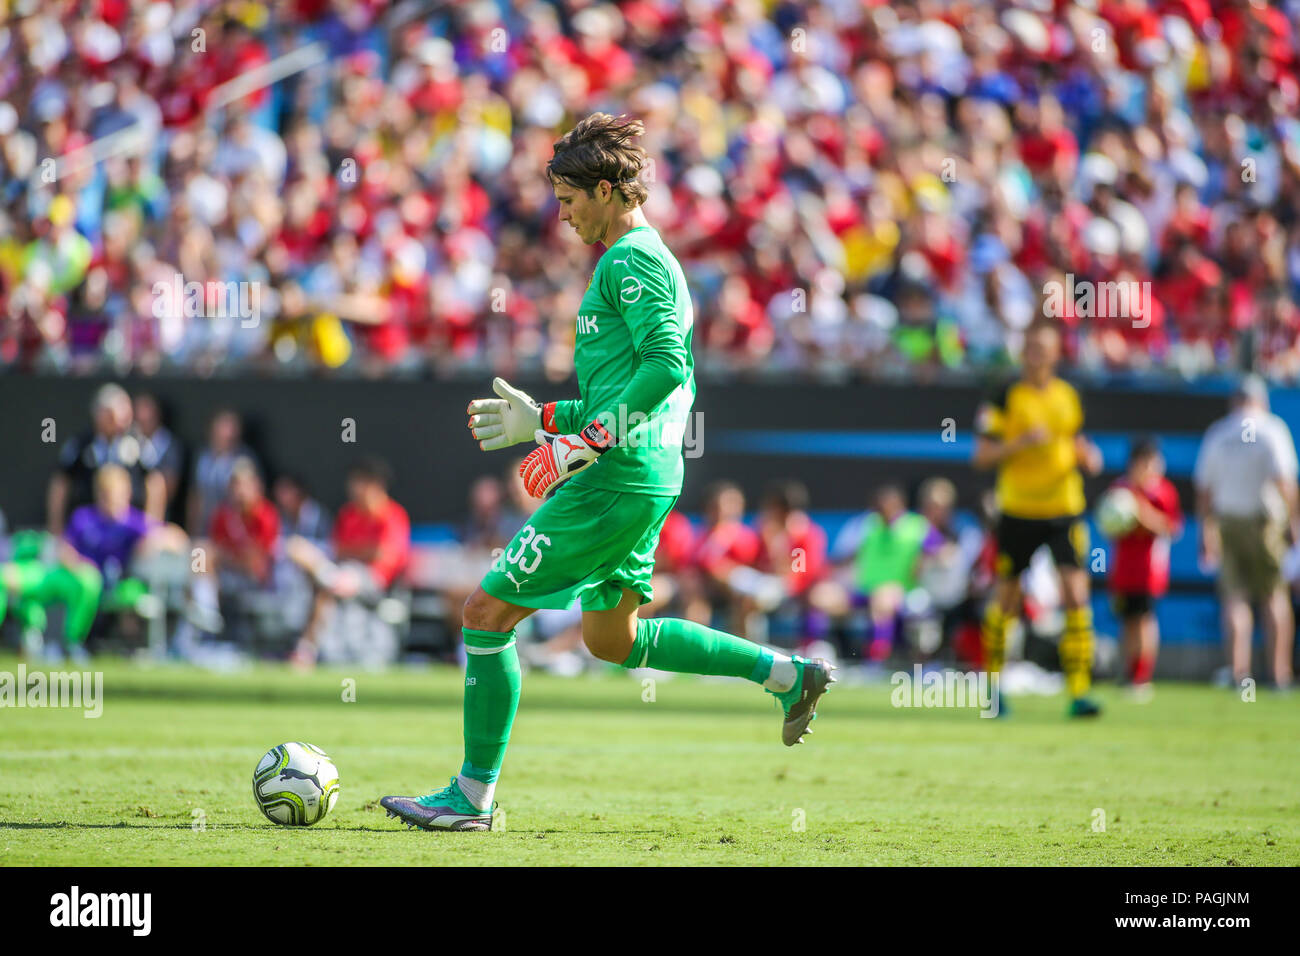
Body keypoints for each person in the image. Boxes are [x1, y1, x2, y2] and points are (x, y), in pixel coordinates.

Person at [380, 114, 835, 833]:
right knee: (611, 640)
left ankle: (471, 798)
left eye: (568, 199)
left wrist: (584, 443)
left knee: (485, 615)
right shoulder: (635, 259)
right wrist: (547, 423)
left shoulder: (631, 259)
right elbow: (626, 387)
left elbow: (666, 366)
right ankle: (787, 674)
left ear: (606, 189)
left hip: (615, 476)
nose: (561, 216)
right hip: (641, 473)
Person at [972, 317, 1105, 717]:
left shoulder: (1068, 395)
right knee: (1007, 600)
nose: (1037, 357)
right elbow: (980, 456)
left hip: (1064, 508)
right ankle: (993, 690)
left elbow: (1078, 441)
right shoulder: (1005, 394)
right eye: (1031, 349)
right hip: (1018, 510)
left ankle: (1079, 692)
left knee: (1076, 596)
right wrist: (1019, 443)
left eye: (1044, 350)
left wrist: (1088, 456)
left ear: (1056, 353)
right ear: (1022, 352)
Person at [1194, 375, 1298, 690]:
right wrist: (1295, 524)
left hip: (1228, 521)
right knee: (1273, 596)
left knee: (1235, 599)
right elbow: (1284, 481)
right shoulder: (1271, 428)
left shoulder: (1219, 432)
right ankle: (1279, 675)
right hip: (1265, 522)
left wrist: (1205, 530)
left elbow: (1204, 489)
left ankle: (1241, 675)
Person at [286, 456, 411, 668]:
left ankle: (306, 649)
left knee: (326, 576)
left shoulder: (393, 515)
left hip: (375, 582)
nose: (353, 488)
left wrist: (357, 553)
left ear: (374, 484)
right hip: (345, 575)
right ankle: (309, 647)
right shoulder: (348, 514)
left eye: (359, 482)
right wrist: (364, 550)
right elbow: (339, 550)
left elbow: (384, 556)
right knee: (311, 566)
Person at [1105, 438, 1183, 701]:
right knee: (1127, 621)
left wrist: (1142, 514)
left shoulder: (1163, 492)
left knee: (1144, 621)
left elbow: (1172, 528)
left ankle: (1142, 676)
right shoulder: (1120, 490)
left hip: (1149, 570)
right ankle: (1129, 673)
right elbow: (1108, 524)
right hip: (1123, 569)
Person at [47, 383, 166, 533]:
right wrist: (56, 527)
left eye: (126, 412)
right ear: (99, 415)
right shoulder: (81, 445)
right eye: (112, 415)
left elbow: (155, 483)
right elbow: (60, 483)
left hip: (129, 529)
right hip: (89, 529)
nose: (121, 419)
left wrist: (152, 528)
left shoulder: (139, 444)